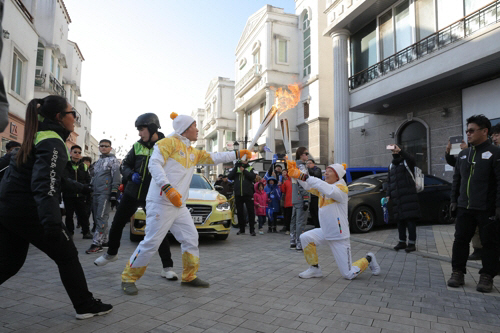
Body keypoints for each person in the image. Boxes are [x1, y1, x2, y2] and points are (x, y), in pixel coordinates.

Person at [0, 96, 112, 319]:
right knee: (68, 255)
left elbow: (54, 178)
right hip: (27, 210)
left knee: (10, 262)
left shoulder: (39, 135)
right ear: (60, 117)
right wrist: (52, 223)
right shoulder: (52, 142)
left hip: (10, 209)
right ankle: (85, 305)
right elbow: (46, 186)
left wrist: (84, 188)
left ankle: (84, 304)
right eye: (73, 114)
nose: (75, 119)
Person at [120, 112, 252, 295]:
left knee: (190, 238)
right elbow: (154, 165)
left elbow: (215, 157)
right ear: (186, 128)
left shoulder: (192, 151)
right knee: (151, 242)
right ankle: (128, 278)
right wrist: (168, 189)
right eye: (195, 126)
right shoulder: (167, 143)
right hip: (160, 202)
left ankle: (189, 276)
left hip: (178, 205)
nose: (198, 129)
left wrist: (238, 153)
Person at [94, 113, 178, 280]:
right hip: (132, 193)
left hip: (152, 196)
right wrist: (130, 174)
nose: (139, 133)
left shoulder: (165, 146)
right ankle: (111, 253)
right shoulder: (137, 146)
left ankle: (167, 268)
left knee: (158, 231)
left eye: (142, 129)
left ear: (152, 128)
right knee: (117, 223)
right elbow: (124, 164)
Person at [287, 162, 381, 279]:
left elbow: (325, 188)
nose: (326, 173)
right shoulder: (324, 188)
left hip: (339, 236)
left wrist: (303, 176)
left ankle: (369, 258)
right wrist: (295, 174)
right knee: (305, 237)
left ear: (337, 176)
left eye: (329, 171)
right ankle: (315, 269)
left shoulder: (341, 190)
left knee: (348, 274)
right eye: (326, 170)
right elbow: (308, 185)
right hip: (326, 232)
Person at [447, 115, 500, 293]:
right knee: (460, 241)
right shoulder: (463, 154)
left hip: (487, 209)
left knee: (489, 244)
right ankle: (458, 272)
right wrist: (454, 201)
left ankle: (487, 276)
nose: (468, 134)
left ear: (485, 131)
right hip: (464, 208)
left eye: (472, 130)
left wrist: (498, 206)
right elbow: (457, 180)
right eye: (467, 130)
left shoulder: (495, 152)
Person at [86, 139, 121, 254]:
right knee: (98, 218)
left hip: (105, 193)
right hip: (96, 193)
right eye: (101, 146)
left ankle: (96, 243)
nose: (104, 148)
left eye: (106, 146)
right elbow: (94, 177)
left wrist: (114, 192)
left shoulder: (113, 161)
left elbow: (116, 177)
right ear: (99, 148)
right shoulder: (98, 161)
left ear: (110, 148)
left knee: (101, 217)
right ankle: (105, 240)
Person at [386, 144, 421, 253]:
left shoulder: (406, 162)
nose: (394, 152)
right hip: (397, 198)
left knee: (410, 220)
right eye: (393, 151)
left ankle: (411, 243)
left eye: (395, 150)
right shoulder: (391, 166)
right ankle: (402, 241)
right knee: (400, 221)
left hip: (408, 197)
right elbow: (389, 181)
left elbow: (411, 159)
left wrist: (401, 151)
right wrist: (388, 194)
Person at [63, 145, 92, 239]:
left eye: (79, 152)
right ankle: (69, 232)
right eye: (75, 152)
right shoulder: (65, 165)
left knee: (83, 215)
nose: (77, 154)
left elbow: (88, 179)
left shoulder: (83, 166)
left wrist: (86, 189)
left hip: (81, 195)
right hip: (68, 195)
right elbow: (64, 180)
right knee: (69, 215)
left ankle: (86, 232)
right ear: (71, 153)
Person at [228, 157, 256, 236]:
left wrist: (244, 171)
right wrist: (236, 167)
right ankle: (242, 229)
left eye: (244, 160)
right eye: (241, 160)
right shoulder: (236, 168)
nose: (243, 161)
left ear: (247, 161)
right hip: (238, 194)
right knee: (240, 212)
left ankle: (252, 230)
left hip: (248, 194)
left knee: (251, 212)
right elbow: (229, 177)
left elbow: (252, 177)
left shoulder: (250, 168)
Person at [290, 147, 310, 251]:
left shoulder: (293, 166)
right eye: (306, 153)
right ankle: (299, 243)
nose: (307, 155)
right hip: (301, 197)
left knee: (294, 221)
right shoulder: (301, 167)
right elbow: (304, 184)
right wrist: (306, 198)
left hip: (295, 197)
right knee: (301, 222)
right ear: (301, 155)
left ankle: (293, 241)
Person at [306, 158, 322, 228]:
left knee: (317, 211)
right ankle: (316, 225)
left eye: (309, 163)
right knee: (312, 211)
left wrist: (308, 169)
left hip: (316, 194)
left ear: (314, 164)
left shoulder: (317, 169)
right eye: (307, 163)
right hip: (309, 194)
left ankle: (319, 226)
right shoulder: (307, 171)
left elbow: (315, 175)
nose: (308, 165)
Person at [279, 169, 293, 235]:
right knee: (291, 217)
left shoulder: (286, 182)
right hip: (292, 202)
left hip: (288, 202)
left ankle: (288, 229)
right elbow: (283, 191)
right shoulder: (296, 182)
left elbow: (283, 190)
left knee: (288, 216)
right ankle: (290, 229)